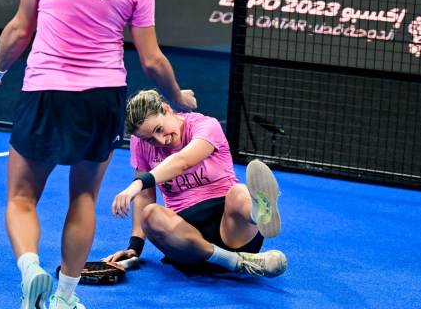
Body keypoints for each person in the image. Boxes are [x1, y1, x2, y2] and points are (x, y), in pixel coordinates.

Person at [0, 0, 196, 309]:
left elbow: (21, 30)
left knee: (22, 198)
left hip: (45, 92)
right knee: (83, 197)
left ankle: (30, 271)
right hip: (101, 99)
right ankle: (63, 297)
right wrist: (178, 95)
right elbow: (151, 61)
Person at [106, 90, 287, 278]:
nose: (161, 141)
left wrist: (137, 184)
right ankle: (237, 262)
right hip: (185, 241)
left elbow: (182, 161)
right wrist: (134, 247)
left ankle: (259, 212)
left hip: (232, 230)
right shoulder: (140, 142)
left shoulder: (206, 126)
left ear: (166, 109)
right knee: (150, 214)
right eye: (150, 139)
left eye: (159, 129)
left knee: (239, 192)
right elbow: (145, 196)